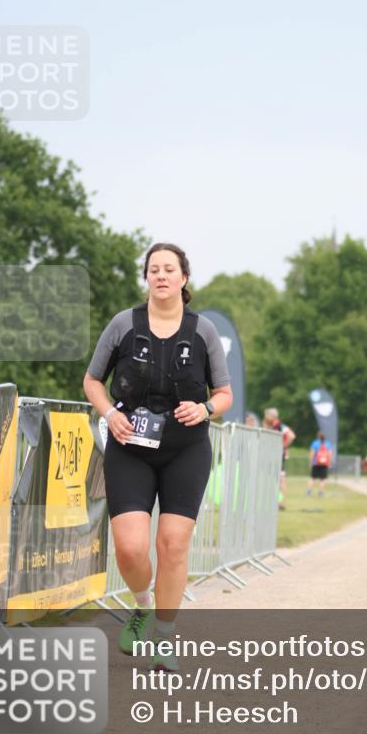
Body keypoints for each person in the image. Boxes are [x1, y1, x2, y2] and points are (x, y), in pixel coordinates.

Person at [83, 242, 233, 671]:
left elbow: (225, 394)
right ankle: (143, 606)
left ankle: (165, 637)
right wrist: (109, 413)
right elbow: (92, 381)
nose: (162, 275)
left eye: (170, 269)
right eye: (154, 269)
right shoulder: (122, 325)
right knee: (130, 550)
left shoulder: (202, 331)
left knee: (171, 546)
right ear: (146, 278)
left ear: (184, 279)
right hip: (130, 445)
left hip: (185, 448)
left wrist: (204, 408)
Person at [262, 407, 295, 510]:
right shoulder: (273, 425)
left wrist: (283, 446)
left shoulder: (279, 426)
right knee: (274, 479)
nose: (265, 417)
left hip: (278, 456)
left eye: (266, 415)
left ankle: (281, 502)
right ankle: (276, 502)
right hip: (273, 456)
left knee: (280, 480)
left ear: (272, 416)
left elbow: (291, 436)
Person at [307, 431, 332, 496]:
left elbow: (312, 454)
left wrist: (310, 463)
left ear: (318, 436)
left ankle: (309, 491)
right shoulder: (328, 444)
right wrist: (329, 463)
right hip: (324, 464)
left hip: (316, 463)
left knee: (312, 478)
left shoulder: (315, 443)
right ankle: (320, 492)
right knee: (322, 479)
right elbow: (330, 455)